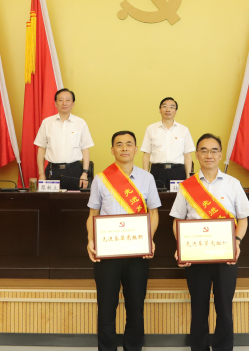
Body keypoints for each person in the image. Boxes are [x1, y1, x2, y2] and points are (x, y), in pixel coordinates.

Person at [170, 134, 249, 351]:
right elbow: (177, 220)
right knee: (198, 308)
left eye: (214, 150)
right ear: (197, 155)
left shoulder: (233, 184)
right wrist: (181, 247)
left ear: (220, 155)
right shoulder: (187, 186)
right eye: (204, 150)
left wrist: (237, 242)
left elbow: (243, 219)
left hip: (226, 255)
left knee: (224, 307)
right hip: (196, 257)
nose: (209, 155)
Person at [86, 131, 160, 351]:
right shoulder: (100, 179)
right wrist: (90, 239)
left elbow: (154, 213)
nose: (124, 148)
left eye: (129, 144)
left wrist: (149, 238)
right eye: (119, 144)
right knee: (106, 307)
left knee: (135, 307)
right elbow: (93, 214)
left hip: (137, 252)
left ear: (136, 149)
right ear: (112, 150)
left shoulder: (147, 178)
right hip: (107, 253)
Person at [35, 88, 94, 190]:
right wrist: (41, 174)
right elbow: (41, 148)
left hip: (74, 171)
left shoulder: (80, 123)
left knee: (73, 199)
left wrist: (85, 173)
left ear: (73, 103)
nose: (64, 103)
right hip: (53, 171)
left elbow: (85, 149)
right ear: (55, 103)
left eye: (68, 100)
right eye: (61, 100)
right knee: (52, 199)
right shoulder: (47, 123)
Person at [141, 97, 195, 188]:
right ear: (160, 110)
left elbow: (187, 156)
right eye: (164, 106)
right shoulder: (151, 129)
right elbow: (146, 155)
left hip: (178, 171)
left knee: (178, 196)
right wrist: (146, 176)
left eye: (172, 107)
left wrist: (188, 177)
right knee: (156, 196)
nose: (168, 109)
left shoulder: (183, 130)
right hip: (157, 171)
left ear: (176, 111)